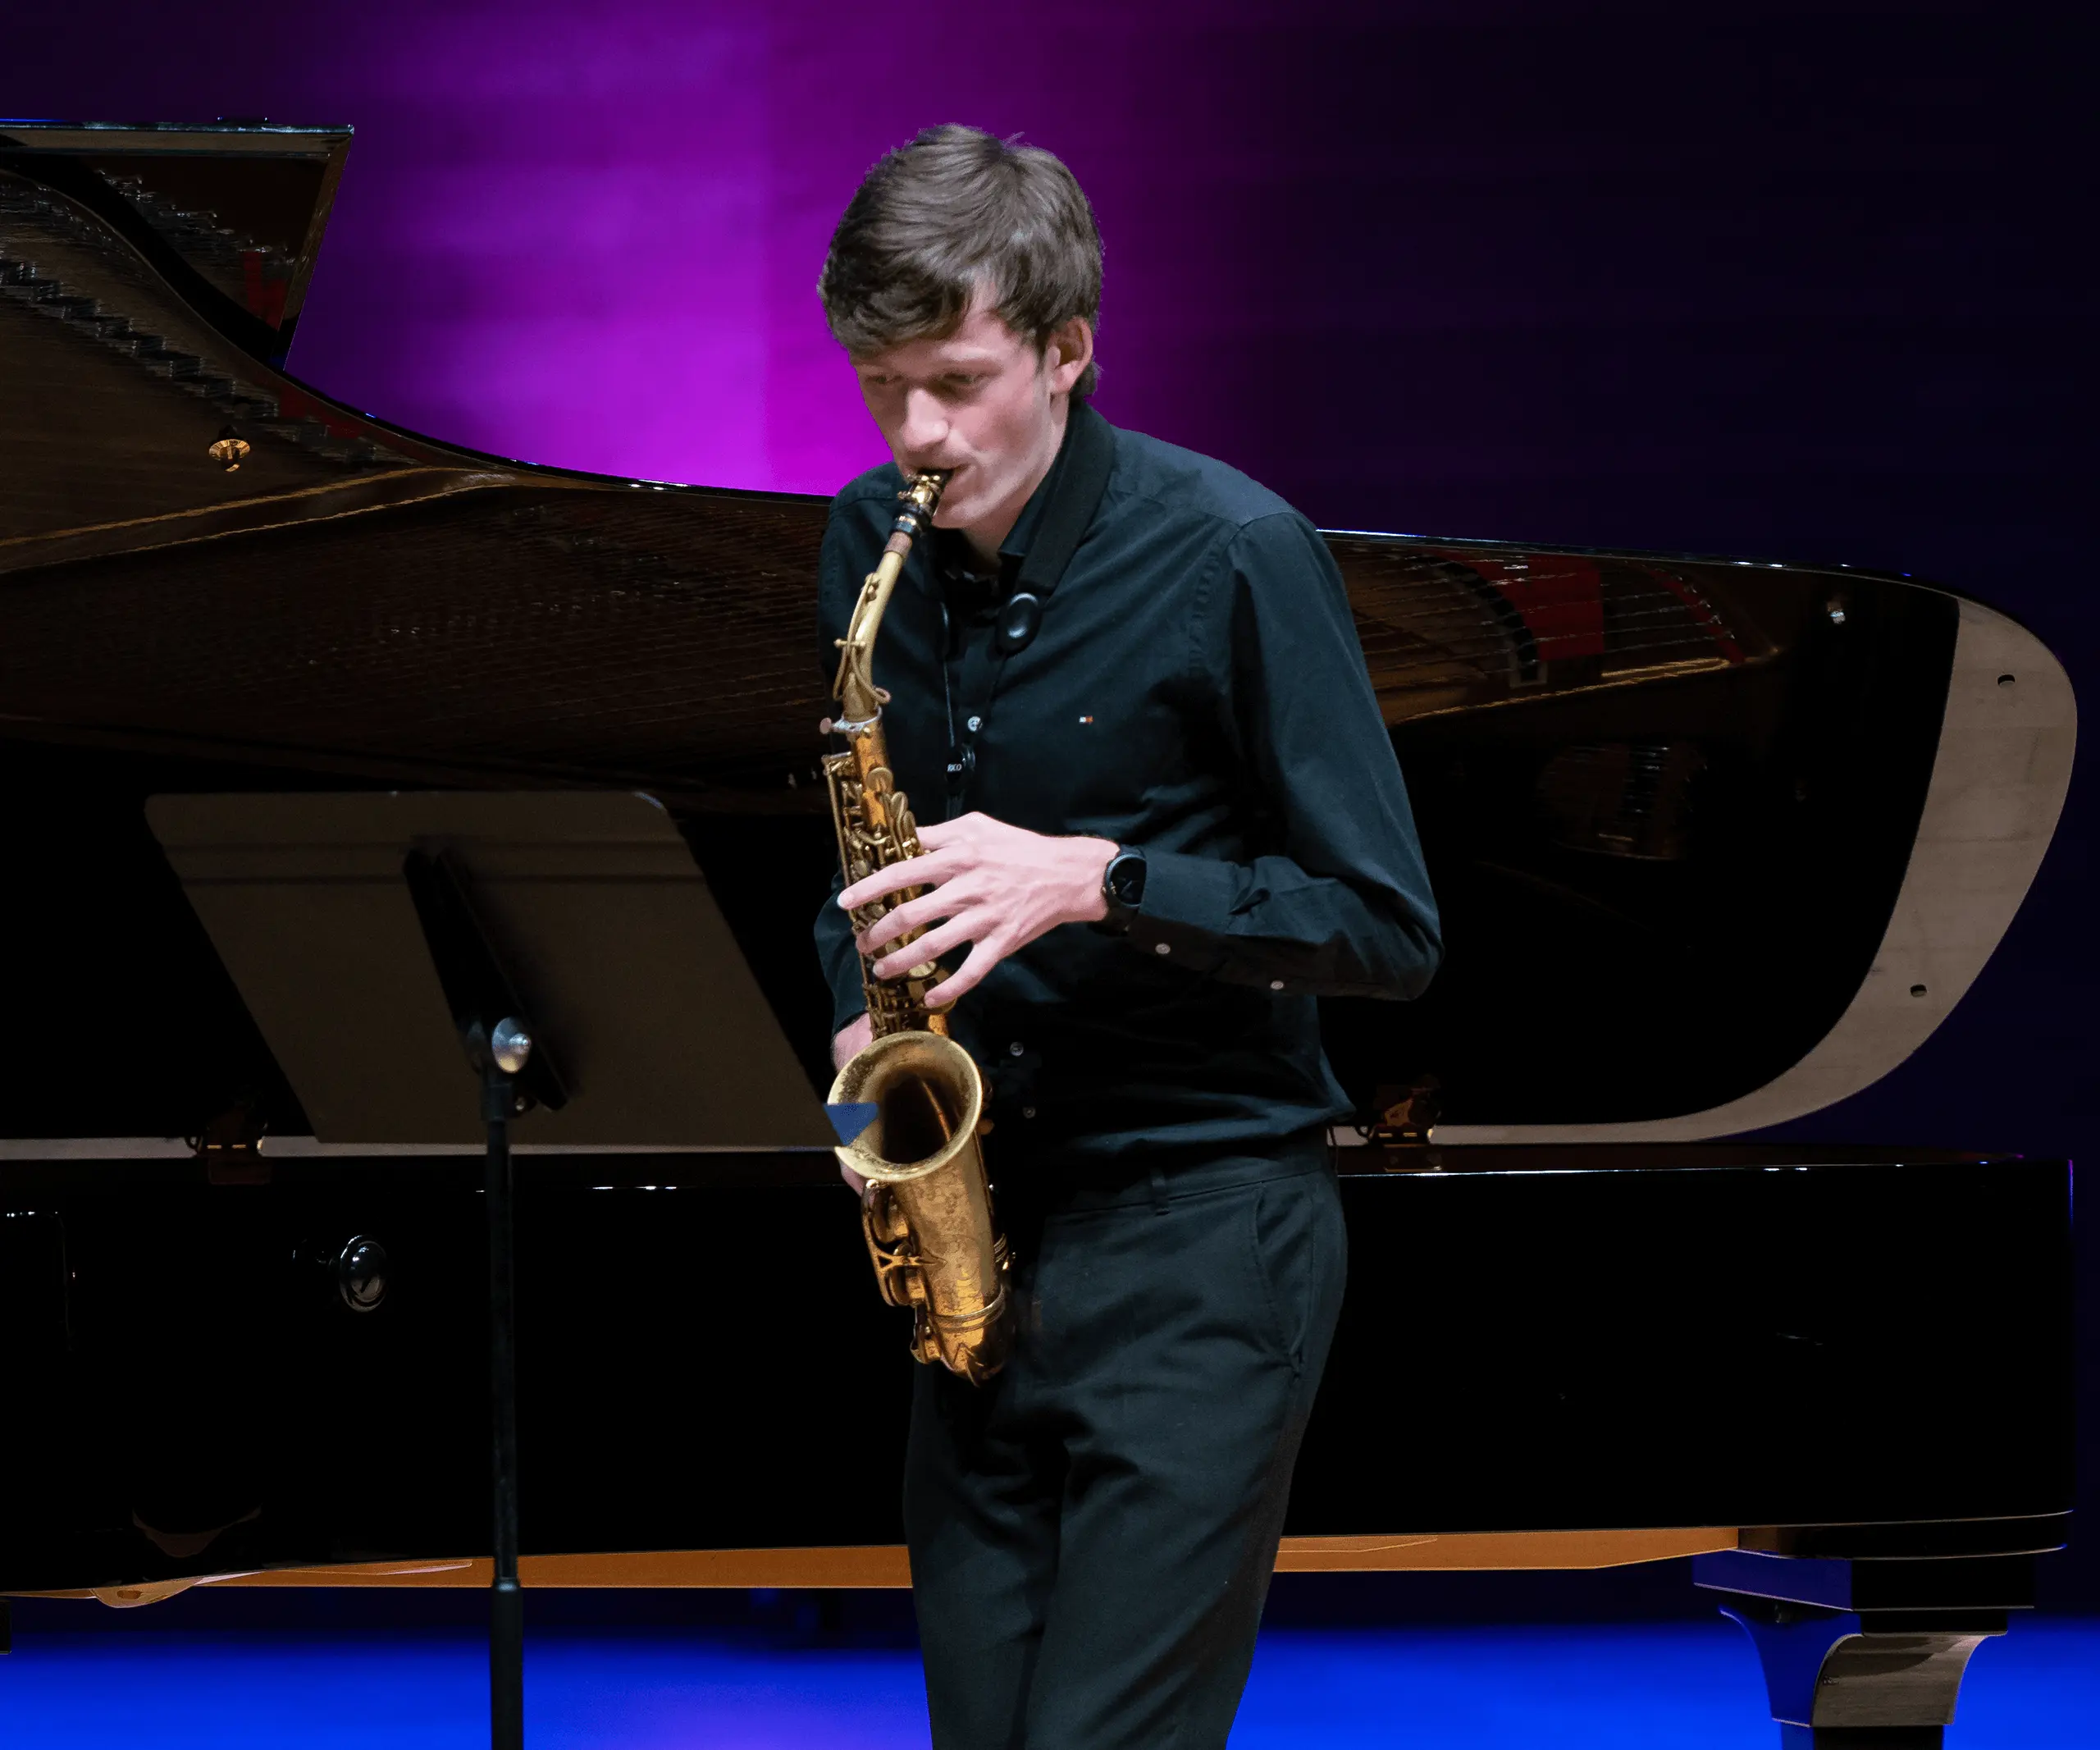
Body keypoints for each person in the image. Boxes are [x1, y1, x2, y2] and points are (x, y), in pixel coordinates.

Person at [812, 124, 1441, 1750]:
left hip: (1200, 1239)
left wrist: (1105, 880)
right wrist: (856, 1020)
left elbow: (1387, 927)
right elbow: (855, 874)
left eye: (957, 382)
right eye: (882, 387)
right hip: (984, 1243)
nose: (917, 435)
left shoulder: (1233, 551)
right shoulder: (866, 542)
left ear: (1068, 348)